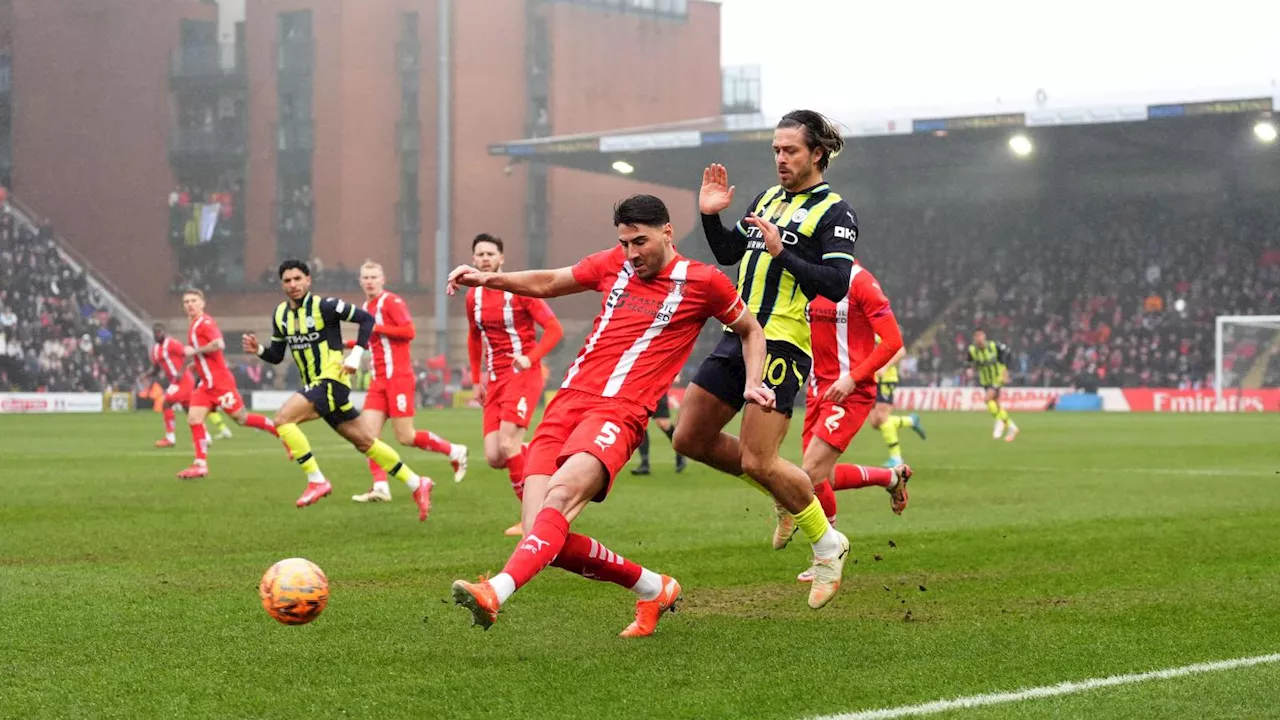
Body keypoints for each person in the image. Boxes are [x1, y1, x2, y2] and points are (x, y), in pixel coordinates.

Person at [446, 195, 770, 637]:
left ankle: (495, 592)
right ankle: (654, 587)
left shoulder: (704, 282)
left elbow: (751, 330)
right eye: (624, 243)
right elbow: (548, 281)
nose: (632, 253)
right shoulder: (612, 263)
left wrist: (753, 383)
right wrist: (488, 279)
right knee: (540, 538)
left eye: (641, 242)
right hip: (567, 402)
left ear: (667, 232)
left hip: (620, 411)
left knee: (559, 499)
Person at [672, 110, 855, 609]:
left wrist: (784, 255)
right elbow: (731, 252)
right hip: (740, 333)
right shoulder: (766, 199)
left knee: (759, 459)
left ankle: (827, 544)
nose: (780, 158)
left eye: (790, 150)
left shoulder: (835, 212)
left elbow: (837, 285)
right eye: (775, 149)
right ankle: (785, 492)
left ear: (817, 153)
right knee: (689, 437)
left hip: (784, 343)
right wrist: (710, 215)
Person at [241, 260, 434, 519]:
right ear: (281, 284)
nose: (293, 285)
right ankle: (416, 482)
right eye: (287, 281)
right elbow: (277, 355)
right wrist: (259, 350)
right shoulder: (280, 315)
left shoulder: (326, 306)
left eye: (298, 279)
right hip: (317, 385)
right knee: (365, 441)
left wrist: (355, 356)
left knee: (282, 419)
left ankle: (317, 480)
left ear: (308, 280)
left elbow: (366, 320)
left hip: (332, 380)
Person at [794, 262, 913, 582]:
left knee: (809, 474)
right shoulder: (806, 275)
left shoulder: (860, 281)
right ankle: (890, 478)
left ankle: (828, 552)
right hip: (818, 390)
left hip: (850, 390)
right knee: (821, 478)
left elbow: (893, 341)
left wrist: (854, 377)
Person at [465, 233, 564, 535]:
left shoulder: (518, 291)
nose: (484, 258)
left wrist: (530, 357)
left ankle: (529, 518)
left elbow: (554, 329)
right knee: (495, 456)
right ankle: (543, 452)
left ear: (501, 259)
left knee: (508, 444)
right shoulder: (473, 296)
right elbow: (473, 336)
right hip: (494, 380)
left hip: (523, 375)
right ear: (473, 259)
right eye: (479, 254)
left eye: (490, 254)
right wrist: (475, 379)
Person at [349, 261, 468, 504]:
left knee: (406, 437)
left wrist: (376, 327)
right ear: (360, 281)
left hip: (398, 378)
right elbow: (374, 340)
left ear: (383, 279)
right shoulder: (366, 307)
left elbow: (409, 331)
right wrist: (348, 344)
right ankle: (380, 486)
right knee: (366, 437)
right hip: (378, 380)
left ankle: (454, 451)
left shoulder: (391, 302)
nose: (370, 281)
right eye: (365, 277)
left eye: (374, 276)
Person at [174, 290, 279, 479]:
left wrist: (194, 351)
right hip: (206, 384)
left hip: (220, 383)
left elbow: (219, 344)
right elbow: (209, 353)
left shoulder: (205, 322)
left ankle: (280, 431)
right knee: (194, 419)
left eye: (193, 301)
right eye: (186, 301)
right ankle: (200, 464)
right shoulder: (194, 324)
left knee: (242, 419)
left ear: (202, 303)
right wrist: (196, 363)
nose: (189, 304)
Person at [147, 323, 231, 447]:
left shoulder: (172, 344)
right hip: (176, 382)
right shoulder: (155, 350)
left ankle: (170, 438)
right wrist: (146, 375)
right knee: (191, 412)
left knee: (166, 403)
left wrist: (182, 371)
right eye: (155, 332)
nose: (157, 334)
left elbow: (188, 354)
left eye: (160, 332)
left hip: (184, 380)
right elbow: (156, 368)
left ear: (165, 333)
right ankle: (206, 438)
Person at [867, 337, 926, 467]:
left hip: (886, 379)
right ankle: (911, 421)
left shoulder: (881, 329)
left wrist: (885, 367)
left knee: (882, 418)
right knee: (875, 423)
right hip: (871, 379)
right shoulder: (863, 332)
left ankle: (896, 458)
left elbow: (901, 350)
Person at [968, 329, 1019, 441]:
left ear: (984, 337)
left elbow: (1008, 354)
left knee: (987, 399)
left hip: (997, 377)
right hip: (985, 380)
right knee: (995, 404)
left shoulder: (994, 346)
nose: (978, 339)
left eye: (980, 336)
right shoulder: (972, 350)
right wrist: (970, 370)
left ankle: (1001, 423)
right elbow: (971, 362)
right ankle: (1011, 427)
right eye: (976, 336)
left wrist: (1005, 371)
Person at [630, 392, 685, 475]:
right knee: (640, 424)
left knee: (663, 423)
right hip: (640, 391)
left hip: (657, 391)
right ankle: (644, 464)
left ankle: (680, 452)